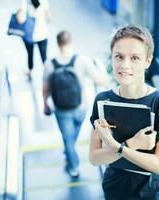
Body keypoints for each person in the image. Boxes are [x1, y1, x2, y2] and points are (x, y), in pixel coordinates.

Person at [89, 25, 159, 200]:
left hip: (149, 194)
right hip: (114, 190)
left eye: (135, 58)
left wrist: (116, 146)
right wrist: (130, 145)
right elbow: (94, 158)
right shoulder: (102, 100)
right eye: (119, 57)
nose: (125, 65)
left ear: (148, 61)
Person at [43, 30, 109, 178]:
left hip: (61, 110)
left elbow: (45, 88)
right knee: (72, 135)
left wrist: (45, 104)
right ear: (71, 43)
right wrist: (104, 72)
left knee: (67, 139)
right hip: (81, 108)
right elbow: (100, 81)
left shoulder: (49, 64)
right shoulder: (82, 60)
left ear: (58, 44)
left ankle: (74, 167)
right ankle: (70, 149)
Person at [20, 0, 50, 78]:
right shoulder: (44, 1)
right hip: (42, 34)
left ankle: (30, 72)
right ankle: (48, 75)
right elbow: (48, 18)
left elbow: (21, 19)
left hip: (29, 35)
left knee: (30, 55)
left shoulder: (25, 2)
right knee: (44, 57)